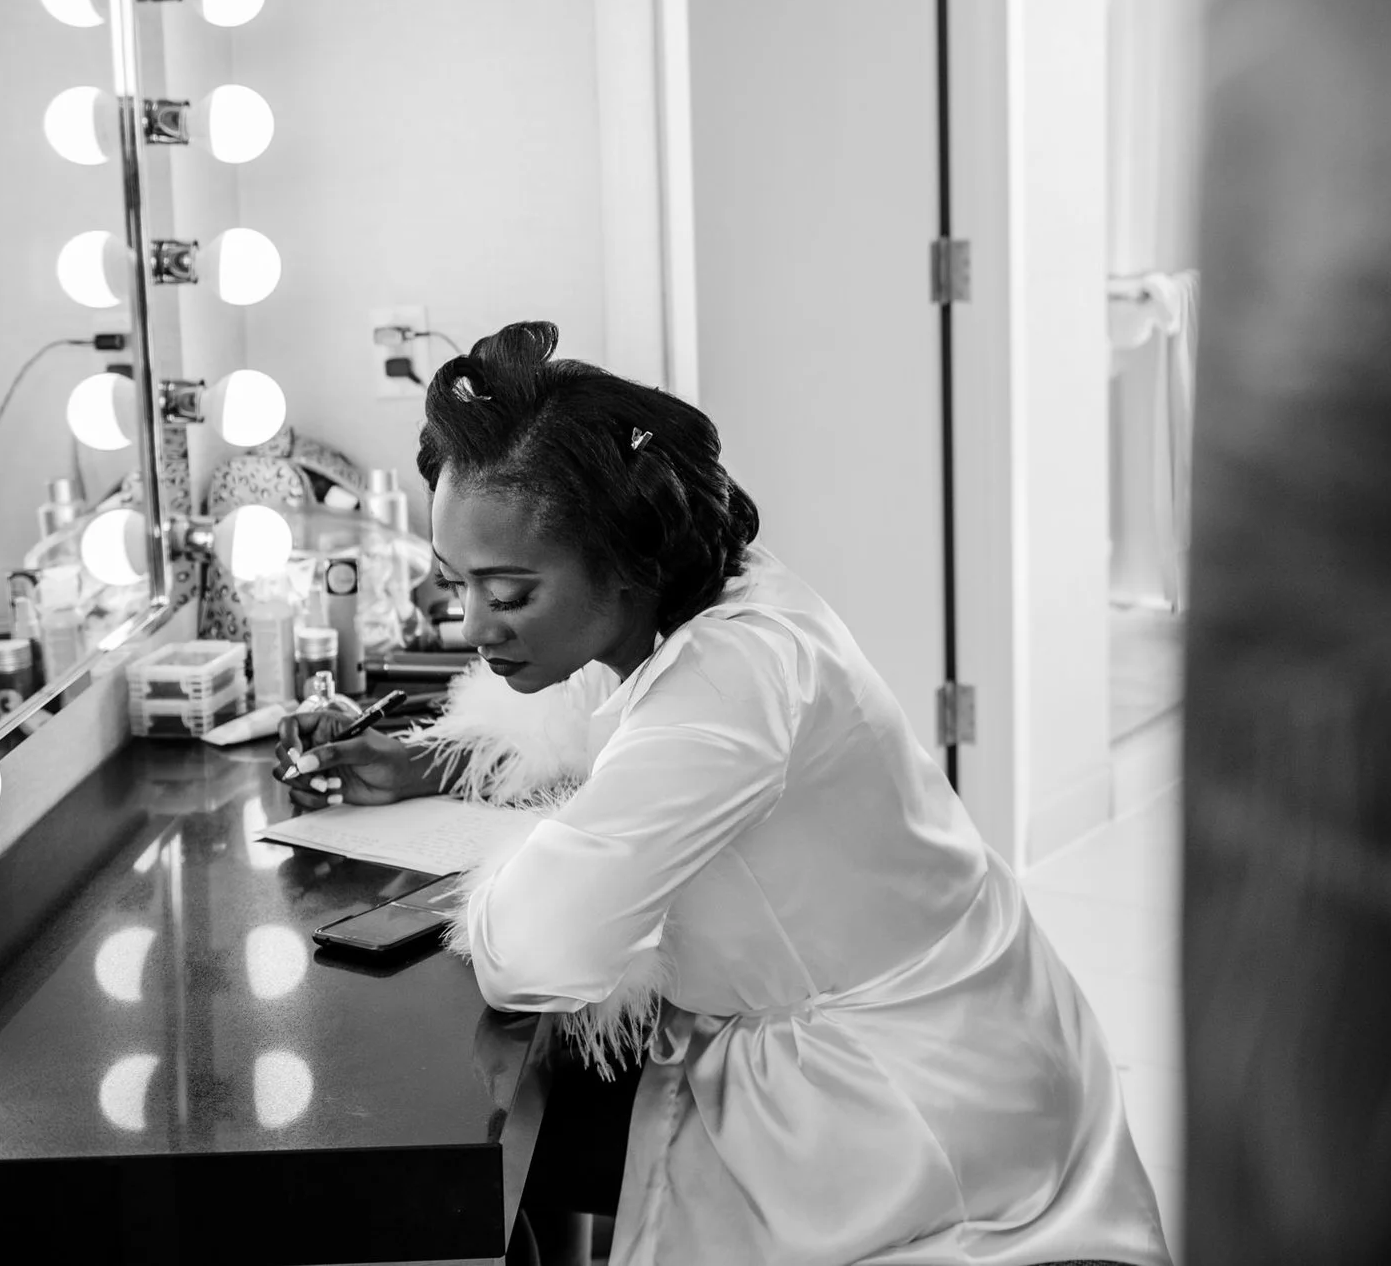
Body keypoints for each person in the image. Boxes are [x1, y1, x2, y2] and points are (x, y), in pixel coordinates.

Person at [278, 321, 1170, 1266]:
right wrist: (431, 761)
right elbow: (600, 734)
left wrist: (506, 870)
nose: (471, 627)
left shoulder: (732, 679)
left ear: (628, 554)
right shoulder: (698, 596)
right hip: (950, 995)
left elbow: (535, 950)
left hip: (908, 1099)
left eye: (508, 592)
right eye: (457, 583)